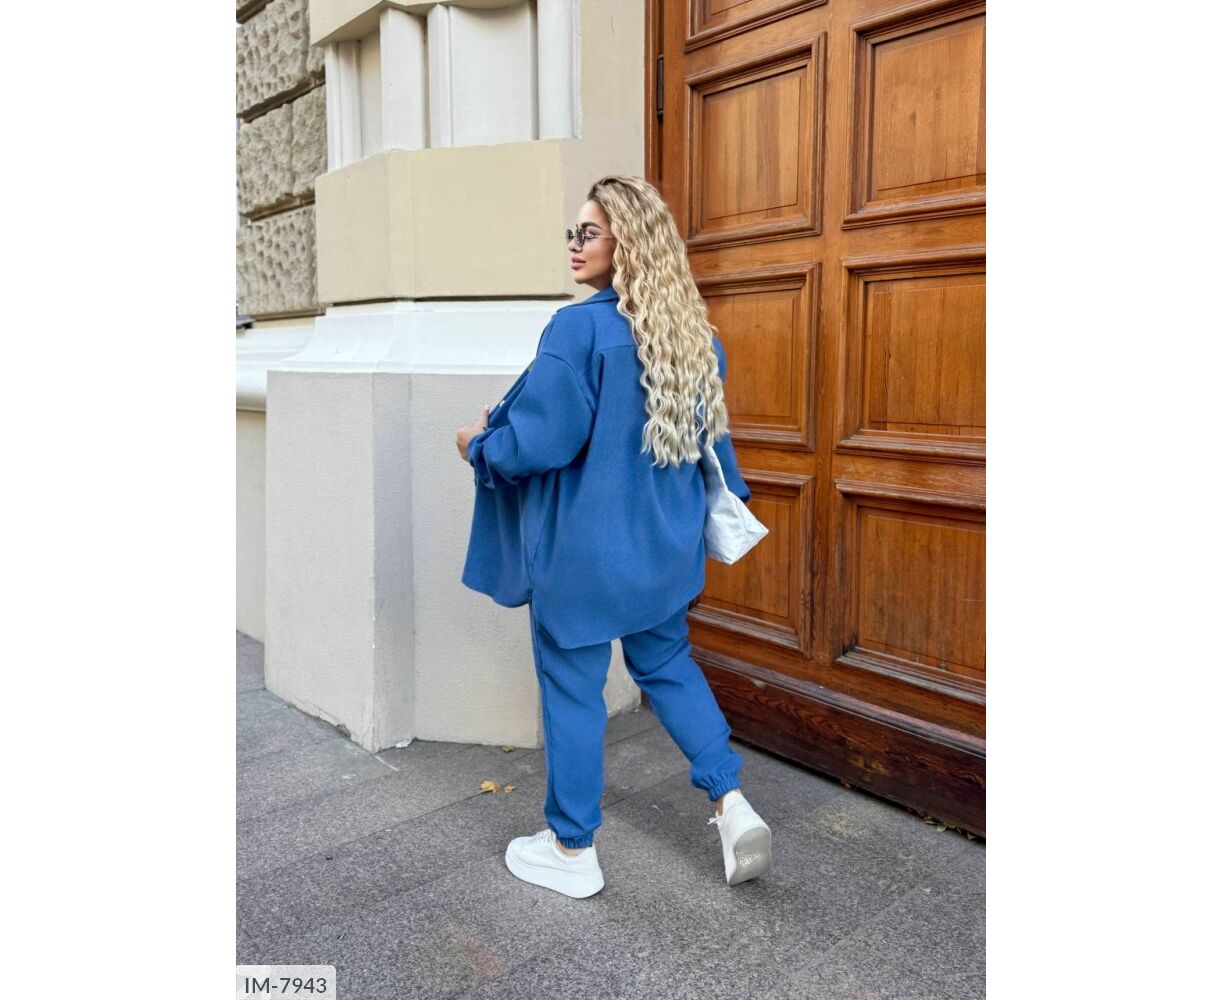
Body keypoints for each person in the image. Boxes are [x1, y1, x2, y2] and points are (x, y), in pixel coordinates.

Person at [454, 175, 772, 898]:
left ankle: (572, 850)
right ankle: (730, 800)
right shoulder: (696, 341)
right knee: (669, 667)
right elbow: (713, 450)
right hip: (663, 549)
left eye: (588, 233)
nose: (573, 245)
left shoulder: (578, 330)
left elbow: (538, 444)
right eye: (572, 232)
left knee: (573, 691)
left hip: (582, 556)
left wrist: (476, 444)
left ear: (626, 242)